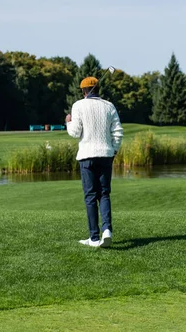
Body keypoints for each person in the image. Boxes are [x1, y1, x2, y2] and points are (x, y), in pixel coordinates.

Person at [66, 76, 123, 248]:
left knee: (90, 196)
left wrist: (68, 122)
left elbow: (75, 132)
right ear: (98, 89)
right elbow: (118, 132)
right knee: (104, 194)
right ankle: (107, 230)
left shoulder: (78, 105)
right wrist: (113, 150)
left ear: (83, 90)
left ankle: (94, 238)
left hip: (86, 156)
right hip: (106, 155)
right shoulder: (109, 106)